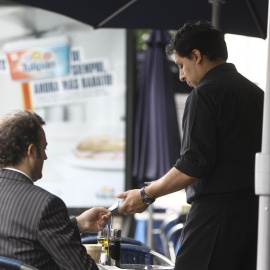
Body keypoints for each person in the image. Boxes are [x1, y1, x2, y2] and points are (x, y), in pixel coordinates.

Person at [116, 20, 264, 270]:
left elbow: (192, 165)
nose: (182, 76)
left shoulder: (205, 93)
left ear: (196, 56)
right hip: (257, 214)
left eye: (182, 66)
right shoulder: (257, 94)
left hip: (216, 216)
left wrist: (145, 194)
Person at [0, 110, 111, 270]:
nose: (45, 157)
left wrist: (77, 224)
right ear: (31, 151)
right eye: (44, 149)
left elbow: (23, 235)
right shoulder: (46, 204)